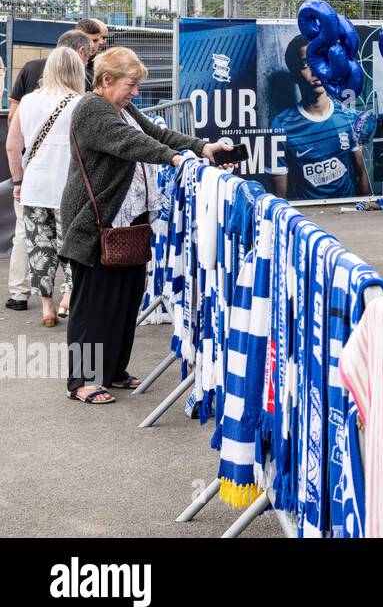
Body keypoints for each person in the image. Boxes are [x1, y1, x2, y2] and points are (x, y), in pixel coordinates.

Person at [61, 47, 232, 405]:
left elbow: (156, 133)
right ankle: (82, 380)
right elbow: (133, 143)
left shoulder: (120, 107)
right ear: (106, 81)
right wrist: (173, 158)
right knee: (93, 305)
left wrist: (203, 148)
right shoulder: (92, 108)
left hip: (127, 223)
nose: (136, 92)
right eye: (131, 84)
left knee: (124, 300)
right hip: (96, 224)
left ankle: (110, 370)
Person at [5, 29, 94, 315]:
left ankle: (46, 307)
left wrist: (18, 180)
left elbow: (12, 146)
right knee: (71, 246)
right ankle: (69, 297)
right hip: (71, 188)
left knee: (39, 248)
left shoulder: (28, 101)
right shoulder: (83, 104)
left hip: (34, 187)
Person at [270, 34, 373, 200]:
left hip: (349, 215)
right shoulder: (281, 125)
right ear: (295, 74)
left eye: (321, 62)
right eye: (306, 64)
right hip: (308, 218)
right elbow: (280, 196)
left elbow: (360, 175)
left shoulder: (347, 116)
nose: (316, 71)